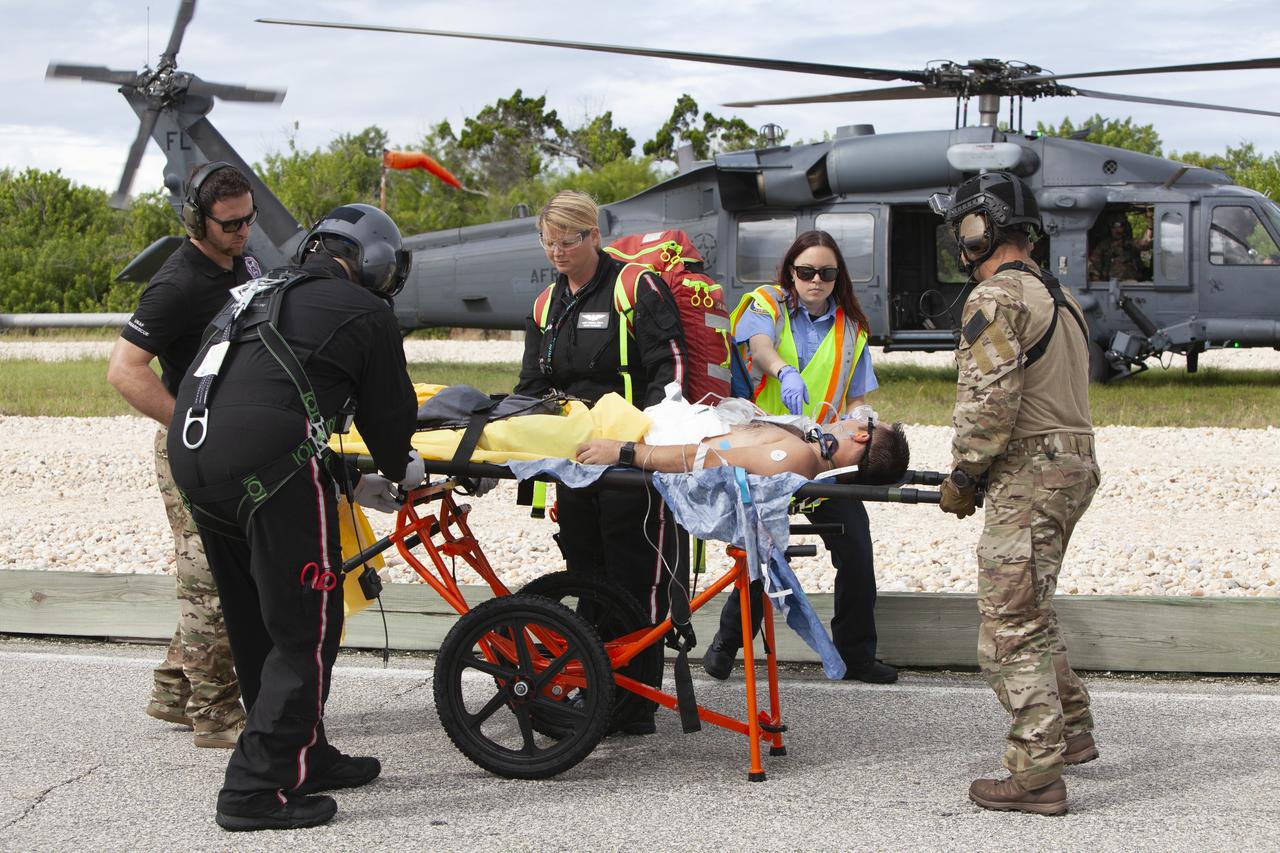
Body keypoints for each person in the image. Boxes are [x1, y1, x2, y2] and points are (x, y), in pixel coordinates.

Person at [167, 203, 419, 831]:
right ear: (376, 264)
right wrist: (400, 468)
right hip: (268, 466)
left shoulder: (251, 292)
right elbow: (389, 420)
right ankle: (252, 791)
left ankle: (303, 754)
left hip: (194, 459)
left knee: (257, 620)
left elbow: (258, 398)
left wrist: (347, 481)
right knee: (304, 627)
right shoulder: (367, 311)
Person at [937, 171, 1101, 816]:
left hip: (1029, 469)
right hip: (1073, 463)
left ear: (979, 230)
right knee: (1033, 605)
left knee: (1008, 623)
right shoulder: (1060, 297)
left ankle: (1036, 776)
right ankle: (1074, 730)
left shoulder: (993, 299)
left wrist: (963, 476)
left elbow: (988, 404)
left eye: (962, 229)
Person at [514, 190, 690, 734]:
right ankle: (597, 692)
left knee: (631, 577)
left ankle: (634, 705)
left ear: (594, 236)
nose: (557, 252)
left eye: (568, 241)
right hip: (574, 464)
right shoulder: (546, 306)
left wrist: (641, 445)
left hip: (628, 464)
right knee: (585, 575)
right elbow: (531, 385)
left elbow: (671, 372)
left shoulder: (635, 288)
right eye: (548, 242)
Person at [107, 161, 261, 748]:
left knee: (221, 571)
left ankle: (173, 690)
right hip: (191, 447)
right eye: (229, 224)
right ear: (198, 220)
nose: (243, 231)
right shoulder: (176, 284)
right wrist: (188, 420)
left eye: (249, 219)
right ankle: (216, 716)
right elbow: (123, 371)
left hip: (230, 442)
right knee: (209, 577)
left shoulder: (241, 261)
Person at [703, 230, 896, 684]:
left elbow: (854, 398)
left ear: (837, 277)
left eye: (826, 273)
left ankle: (857, 654)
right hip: (766, 451)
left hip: (825, 461)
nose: (816, 281)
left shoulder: (852, 329)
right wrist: (784, 371)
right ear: (791, 271)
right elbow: (759, 348)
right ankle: (726, 645)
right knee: (763, 550)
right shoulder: (766, 304)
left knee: (856, 549)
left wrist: (861, 415)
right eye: (806, 271)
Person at [576, 416, 909, 484]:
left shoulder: (798, 457)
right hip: (643, 426)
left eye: (863, 421)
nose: (849, 420)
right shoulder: (803, 449)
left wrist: (622, 451)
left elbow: (702, 459)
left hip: (629, 434)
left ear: (862, 436)